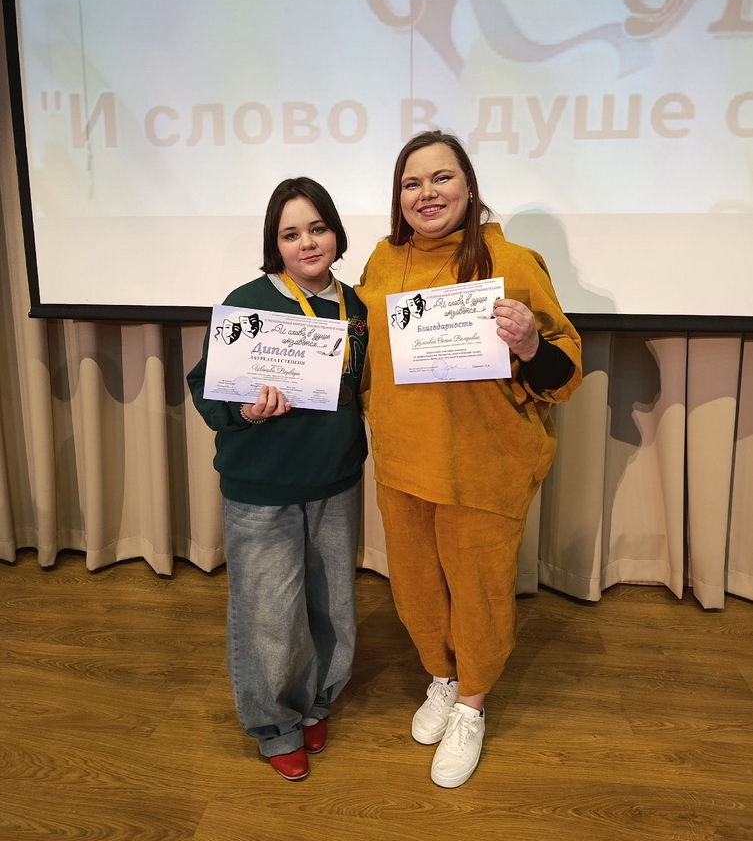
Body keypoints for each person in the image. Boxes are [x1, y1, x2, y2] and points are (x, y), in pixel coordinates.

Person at [355, 130, 581, 789]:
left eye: (441, 178)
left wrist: (529, 342)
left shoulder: (511, 261)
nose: (426, 193)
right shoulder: (382, 260)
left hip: (484, 465)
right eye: (411, 183)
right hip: (404, 461)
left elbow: (564, 369)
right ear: (398, 196)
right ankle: (442, 676)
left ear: (468, 185)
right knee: (416, 589)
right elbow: (364, 349)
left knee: (478, 593)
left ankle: (472, 704)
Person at [187, 177, 368, 782]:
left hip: (336, 480)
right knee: (269, 612)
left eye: (318, 228)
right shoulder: (247, 303)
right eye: (291, 234)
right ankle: (274, 724)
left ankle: (317, 702)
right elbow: (205, 389)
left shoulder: (357, 307)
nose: (307, 242)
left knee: (332, 605)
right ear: (275, 244)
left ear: (336, 232)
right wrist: (244, 410)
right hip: (261, 487)